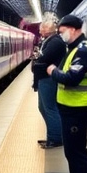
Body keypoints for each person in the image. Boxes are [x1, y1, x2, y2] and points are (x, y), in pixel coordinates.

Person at [45, 14, 87, 173]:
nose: (61, 35)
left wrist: (52, 71)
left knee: (77, 155)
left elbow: (70, 78)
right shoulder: (74, 49)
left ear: (74, 29)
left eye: (62, 32)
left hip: (78, 110)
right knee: (71, 153)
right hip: (70, 109)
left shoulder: (84, 52)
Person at [32, 19, 67, 148]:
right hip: (45, 78)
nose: (40, 30)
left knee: (50, 108)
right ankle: (51, 136)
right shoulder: (50, 41)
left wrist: (38, 59)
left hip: (49, 79)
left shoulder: (55, 42)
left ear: (47, 29)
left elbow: (43, 58)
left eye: (41, 28)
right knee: (43, 108)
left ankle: (56, 139)